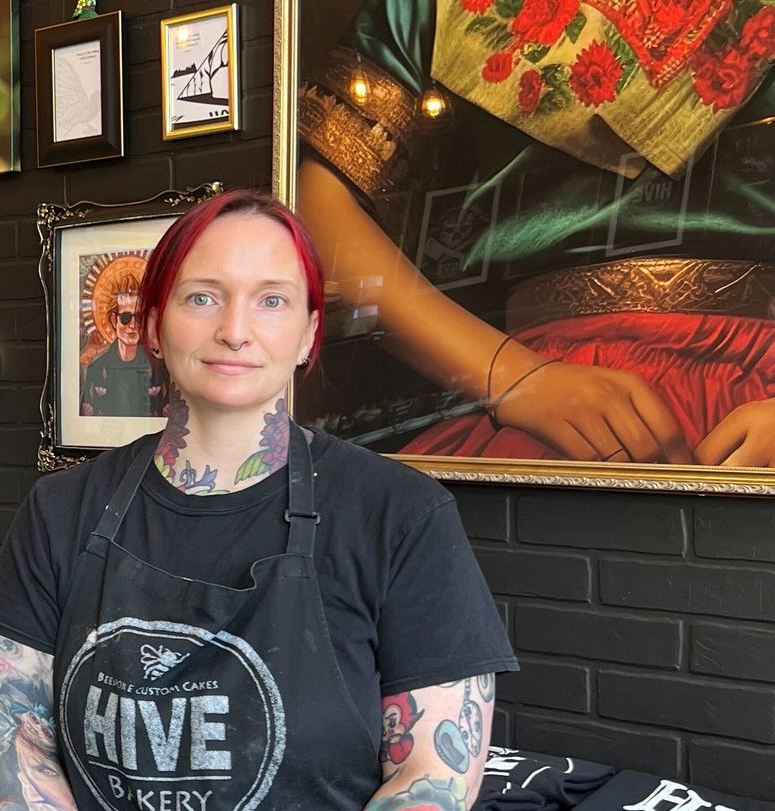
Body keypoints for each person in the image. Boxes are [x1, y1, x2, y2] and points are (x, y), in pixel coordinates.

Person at [0, 189, 519, 811]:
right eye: (201, 295)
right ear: (149, 323)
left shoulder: (398, 516)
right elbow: (13, 733)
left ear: (307, 335)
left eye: (271, 299)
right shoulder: (61, 512)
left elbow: (436, 770)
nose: (235, 328)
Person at [298, 0, 775, 465]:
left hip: (758, 386)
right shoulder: (433, 9)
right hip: (542, 388)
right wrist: (512, 375)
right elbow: (319, 212)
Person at [78, 269, 154, 418]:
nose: (132, 325)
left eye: (138, 318)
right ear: (114, 320)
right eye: (125, 317)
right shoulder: (97, 369)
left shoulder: (156, 368)